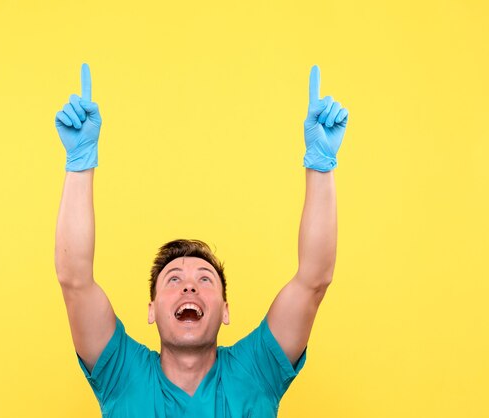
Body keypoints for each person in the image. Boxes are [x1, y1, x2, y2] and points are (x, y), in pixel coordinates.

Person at [54, 63, 348, 417]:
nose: (189, 287)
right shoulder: (122, 374)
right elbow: (74, 280)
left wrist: (321, 164)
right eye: (174, 279)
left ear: (225, 310)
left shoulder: (255, 372)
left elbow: (314, 279)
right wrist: (79, 163)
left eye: (205, 280)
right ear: (151, 309)